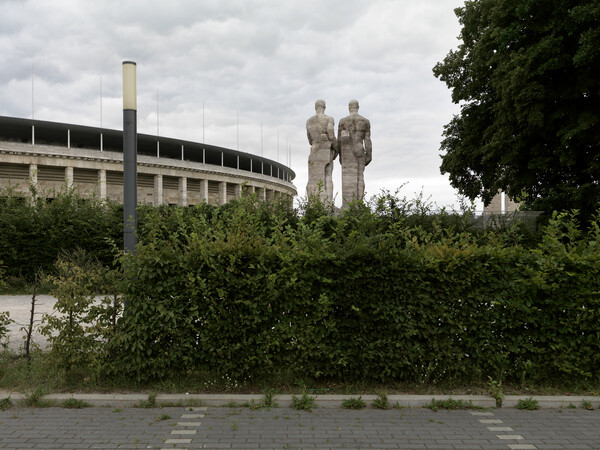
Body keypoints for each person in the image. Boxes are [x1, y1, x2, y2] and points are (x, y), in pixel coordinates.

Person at [338, 99, 372, 209]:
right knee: (360, 178)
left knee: (347, 178)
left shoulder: (343, 121)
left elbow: (339, 141)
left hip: (347, 149)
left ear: (349, 107)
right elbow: (367, 140)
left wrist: (340, 155)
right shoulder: (365, 121)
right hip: (359, 147)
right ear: (358, 107)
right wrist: (369, 154)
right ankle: (359, 203)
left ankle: (348, 205)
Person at [306, 99, 338, 203]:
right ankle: (328, 202)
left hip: (314, 149)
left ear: (316, 107)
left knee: (313, 178)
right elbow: (331, 135)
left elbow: (310, 140)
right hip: (325, 149)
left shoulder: (309, 121)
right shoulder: (329, 119)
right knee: (328, 175)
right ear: (324, 107)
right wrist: (337, 149)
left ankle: (314, 202)